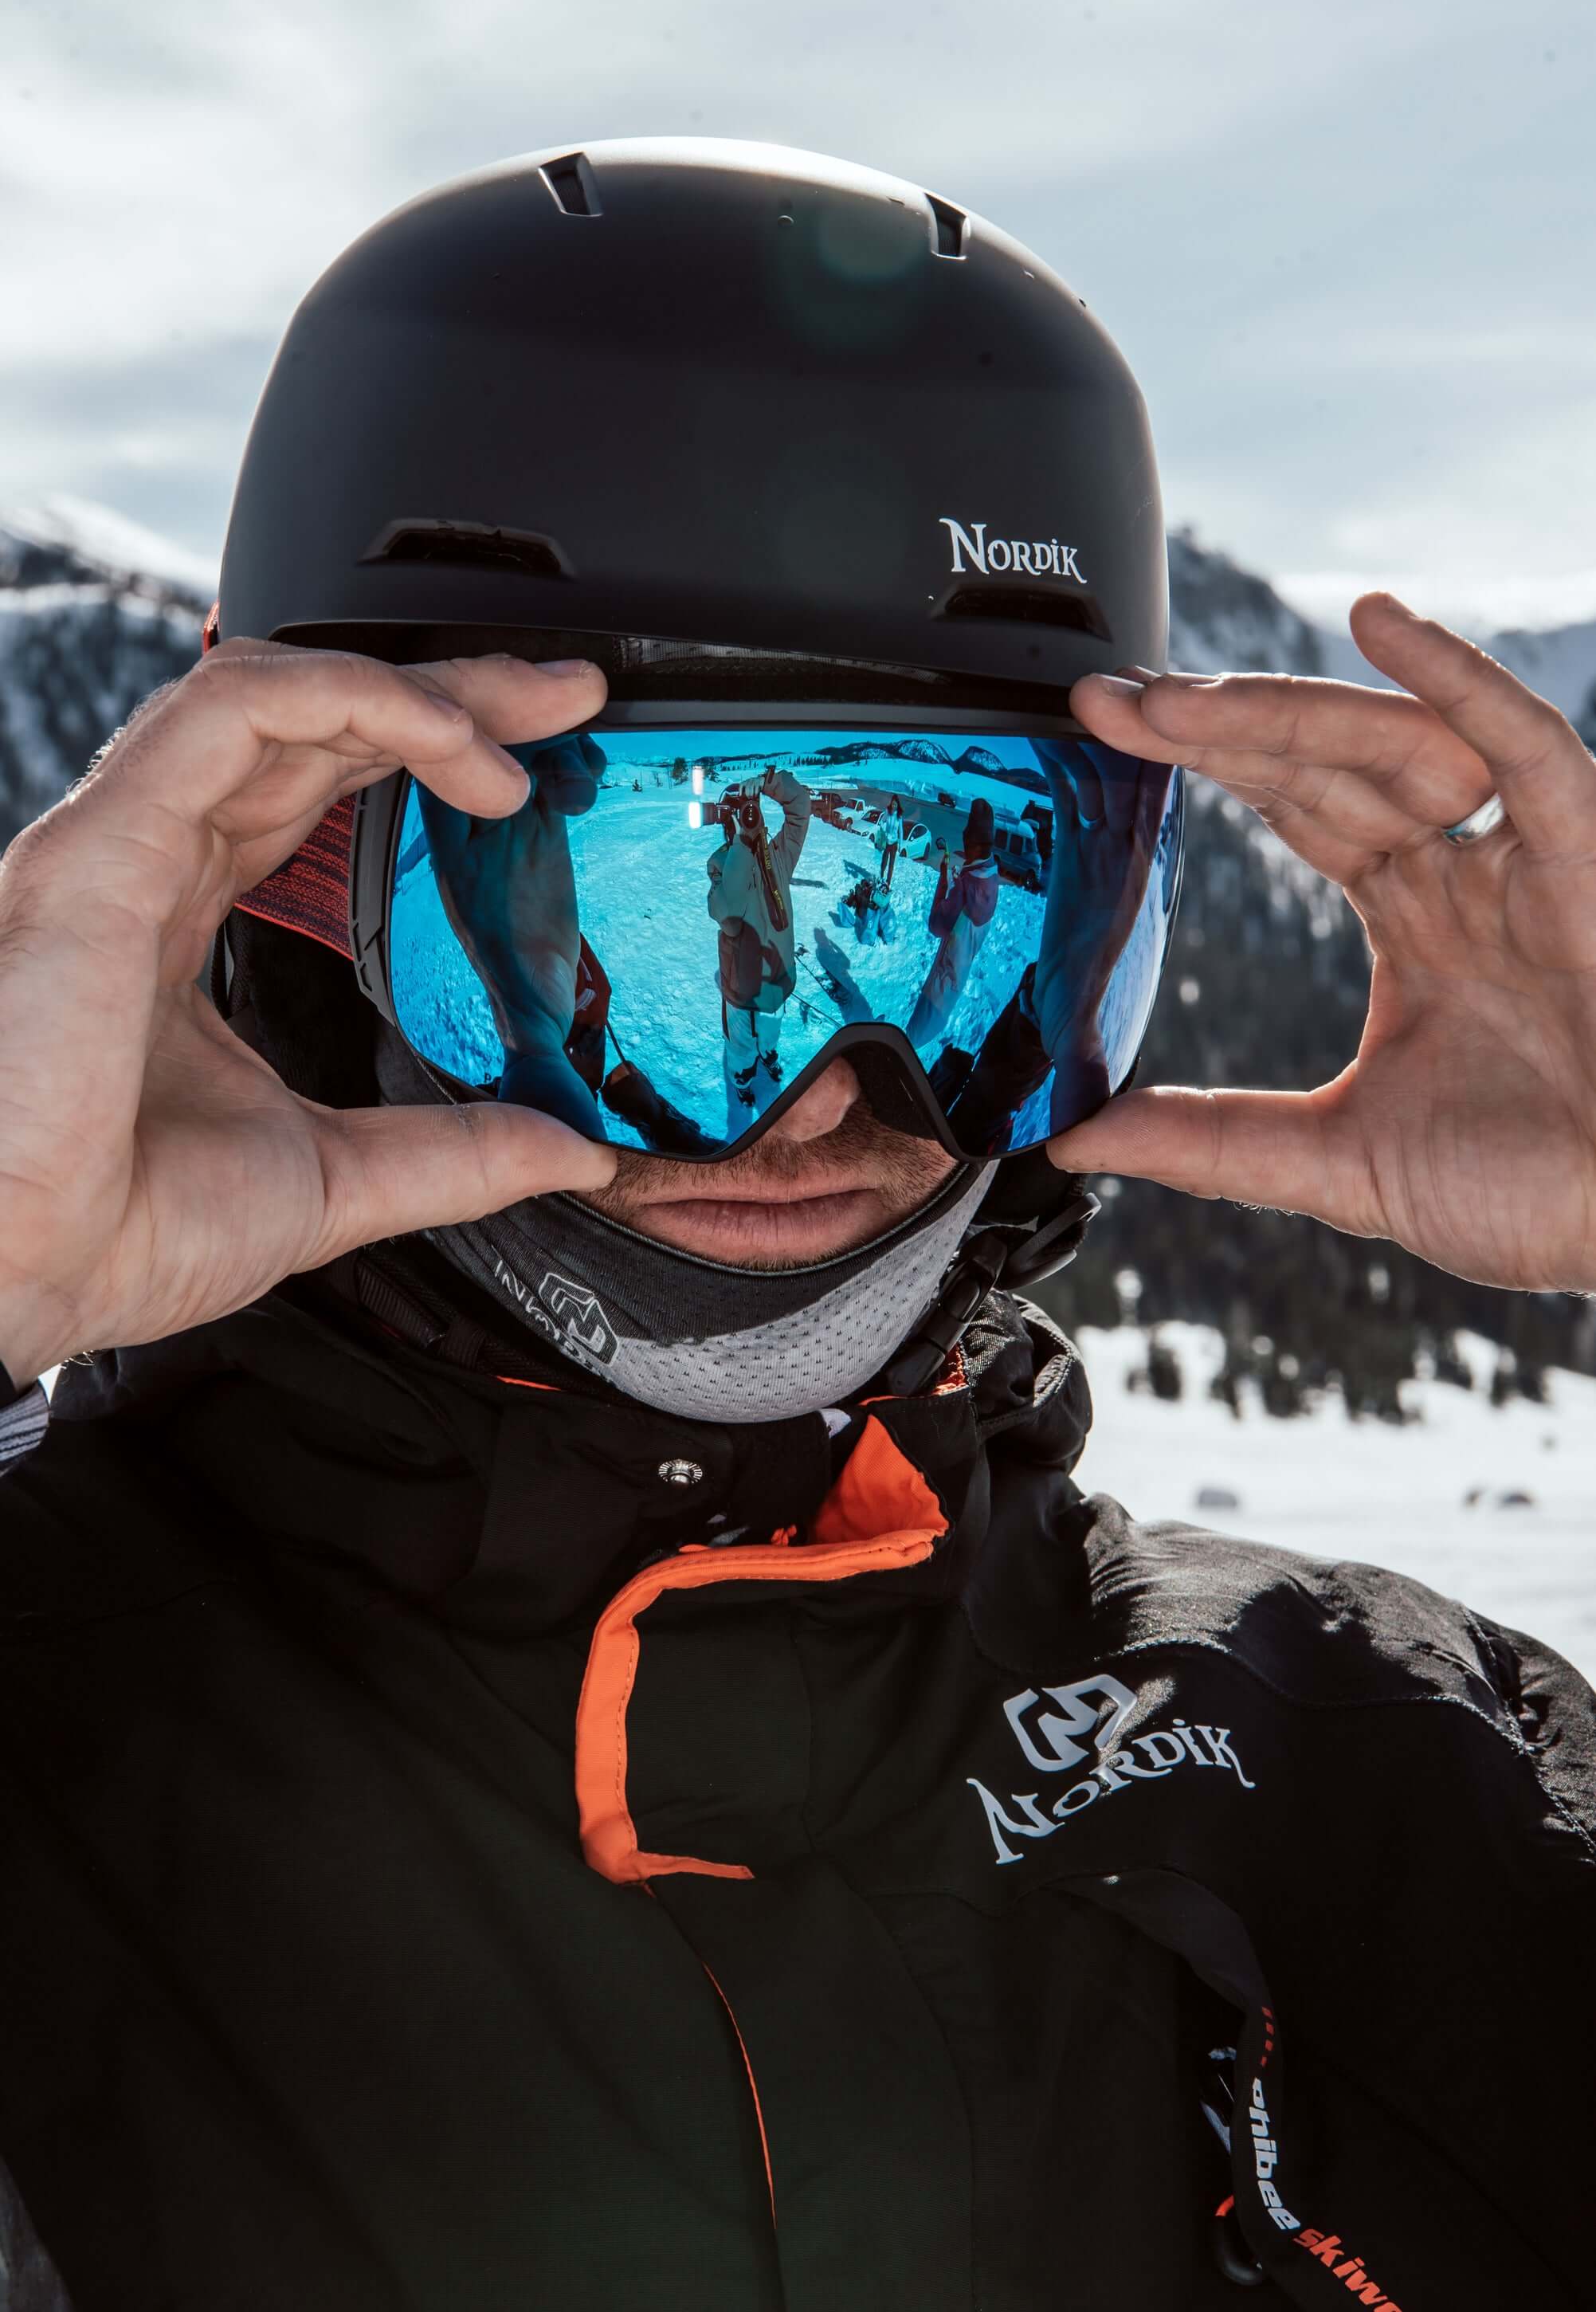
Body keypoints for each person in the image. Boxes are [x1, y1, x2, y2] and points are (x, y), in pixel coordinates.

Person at [0, 138, 1594, 2312]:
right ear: (308, 891)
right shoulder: (56, 1726)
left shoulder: (1386, 1749)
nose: (832, 1102)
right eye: (653, 936)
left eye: (952, 924)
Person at [706, 766, 812, 1133]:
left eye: (750, 810)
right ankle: (742, 1079)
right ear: (730, 822)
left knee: (770, 1034)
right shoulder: (720, 865)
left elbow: (801, 808)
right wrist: (743, 845)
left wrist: (770, 784)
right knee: (740, 1047)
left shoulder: (778, 856)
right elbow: (729, 913)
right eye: (741, 812)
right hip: (742, 990)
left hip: (777, 981)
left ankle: (768, 1055)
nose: (748, 817)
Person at [904, 798, 1000, 1050]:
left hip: (942, 977)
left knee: (913, 1035)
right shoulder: (991, 879)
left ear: (973, 843)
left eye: (966, 840)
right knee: (929, 1030)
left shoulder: (966, 888)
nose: (964, 844)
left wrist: (945, 880)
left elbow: (936, 925)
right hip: (958, 977)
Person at [875, 794, 904, 887]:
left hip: (894, 843)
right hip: (887, 842)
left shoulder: (899, 816)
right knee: (884, 861)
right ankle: (881, 877)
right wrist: (883, 829)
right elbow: (881, 821)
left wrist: (901, 845)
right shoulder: (887, 812)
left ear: (898, 805)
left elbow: (901, 831)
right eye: (893, 804)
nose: (894, 806)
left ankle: (888, 882)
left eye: (895, 804)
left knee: (891, 864)